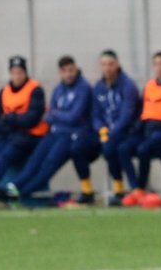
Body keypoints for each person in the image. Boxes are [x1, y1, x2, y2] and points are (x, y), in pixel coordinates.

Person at [11, 55, 99, 205]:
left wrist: (55, 113)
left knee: (49, 164)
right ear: (60, 72)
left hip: (72, 134)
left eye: (71, 70)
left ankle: (21, 194)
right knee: (36, 158)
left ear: (76, 69)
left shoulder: (83, 88)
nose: (68, 74)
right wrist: (57, 115)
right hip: (55, 132)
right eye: (65, 71)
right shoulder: (59, 89)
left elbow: (73, 117)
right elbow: (48, 117)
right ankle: (14, 187)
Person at [0, 56, 44, 202]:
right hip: (9, 134)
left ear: (25, 73)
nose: (17, 76)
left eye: (20, 72)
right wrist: (8, 125)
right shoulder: (4, 91)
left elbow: (31, 118)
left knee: (7, 155)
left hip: (30, 136)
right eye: (13, 73)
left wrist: (10, 118)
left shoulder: (35, 90)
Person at [124, 51, 161, 205]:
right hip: (147, 129)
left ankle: (142, 189)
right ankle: (135, 189)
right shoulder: (149, 85)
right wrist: (135, 128)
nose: (159, 67)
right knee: (122, 148)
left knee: (143, 149)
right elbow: (143, 110)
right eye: (156, 64)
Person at [93, 50, 143, 205]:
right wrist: (101, 129)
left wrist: (111, 133)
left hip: (130, 132)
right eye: (104, 64)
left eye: (110, 64)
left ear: (117, 64)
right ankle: (118, 189)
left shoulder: (128, 85)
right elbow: (95, 114)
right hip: (108, 134)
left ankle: (135, 189)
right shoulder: (99, 87)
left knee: (120, 149)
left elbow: (127, 115)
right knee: (104, 148)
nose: (107, 68)